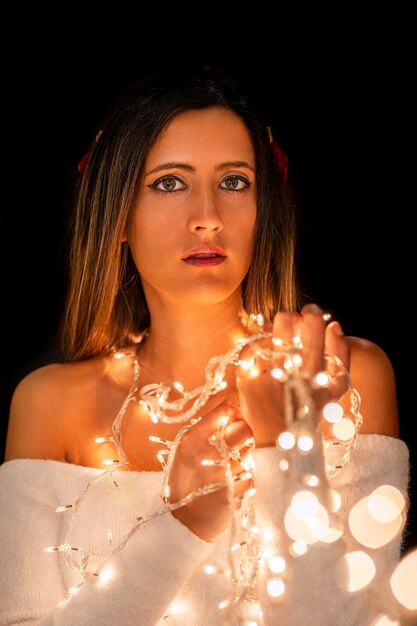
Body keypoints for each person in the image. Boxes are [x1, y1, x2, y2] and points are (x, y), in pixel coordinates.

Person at [0, 63, 413, 626]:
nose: (208, 218)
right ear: (117, 213)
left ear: (262, 203)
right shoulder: (51, 405)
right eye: (170, 182)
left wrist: (287, 448)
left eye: (234, 181)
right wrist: (185, 524)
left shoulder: (344, 376)